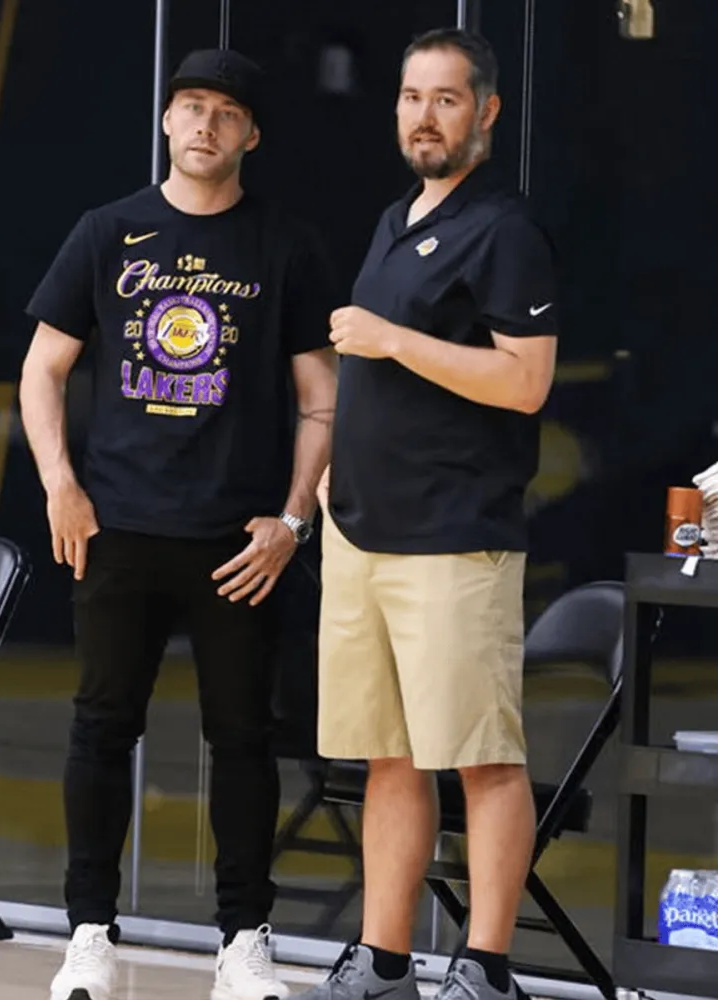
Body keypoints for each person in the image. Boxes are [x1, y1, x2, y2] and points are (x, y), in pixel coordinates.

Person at [20, 48, 337, 1000]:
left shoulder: (284, 244)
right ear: (166, 120)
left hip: (238, 542)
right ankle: (88, 936)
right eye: (191, 105)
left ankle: (244, 943)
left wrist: (292, 521)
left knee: (243, 740)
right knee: (99, 729)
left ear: (251, 135)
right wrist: (60, 486)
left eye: (226, 112)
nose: (205, 123)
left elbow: (322, 399)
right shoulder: (107, 232)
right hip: (118, 527)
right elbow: (42, 368)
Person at [305, 27, 558, 1000]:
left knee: (483, 758)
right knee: (390, 757)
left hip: (453, 537)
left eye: (445, 99)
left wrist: (392, 338)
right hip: (362, 529)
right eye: (412, 97)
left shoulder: (505, 230)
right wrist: (338, 464)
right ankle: (383, 961)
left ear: (485, 111)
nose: (424, 116)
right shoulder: (394, 219)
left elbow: (523, 382)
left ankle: (485, 969)